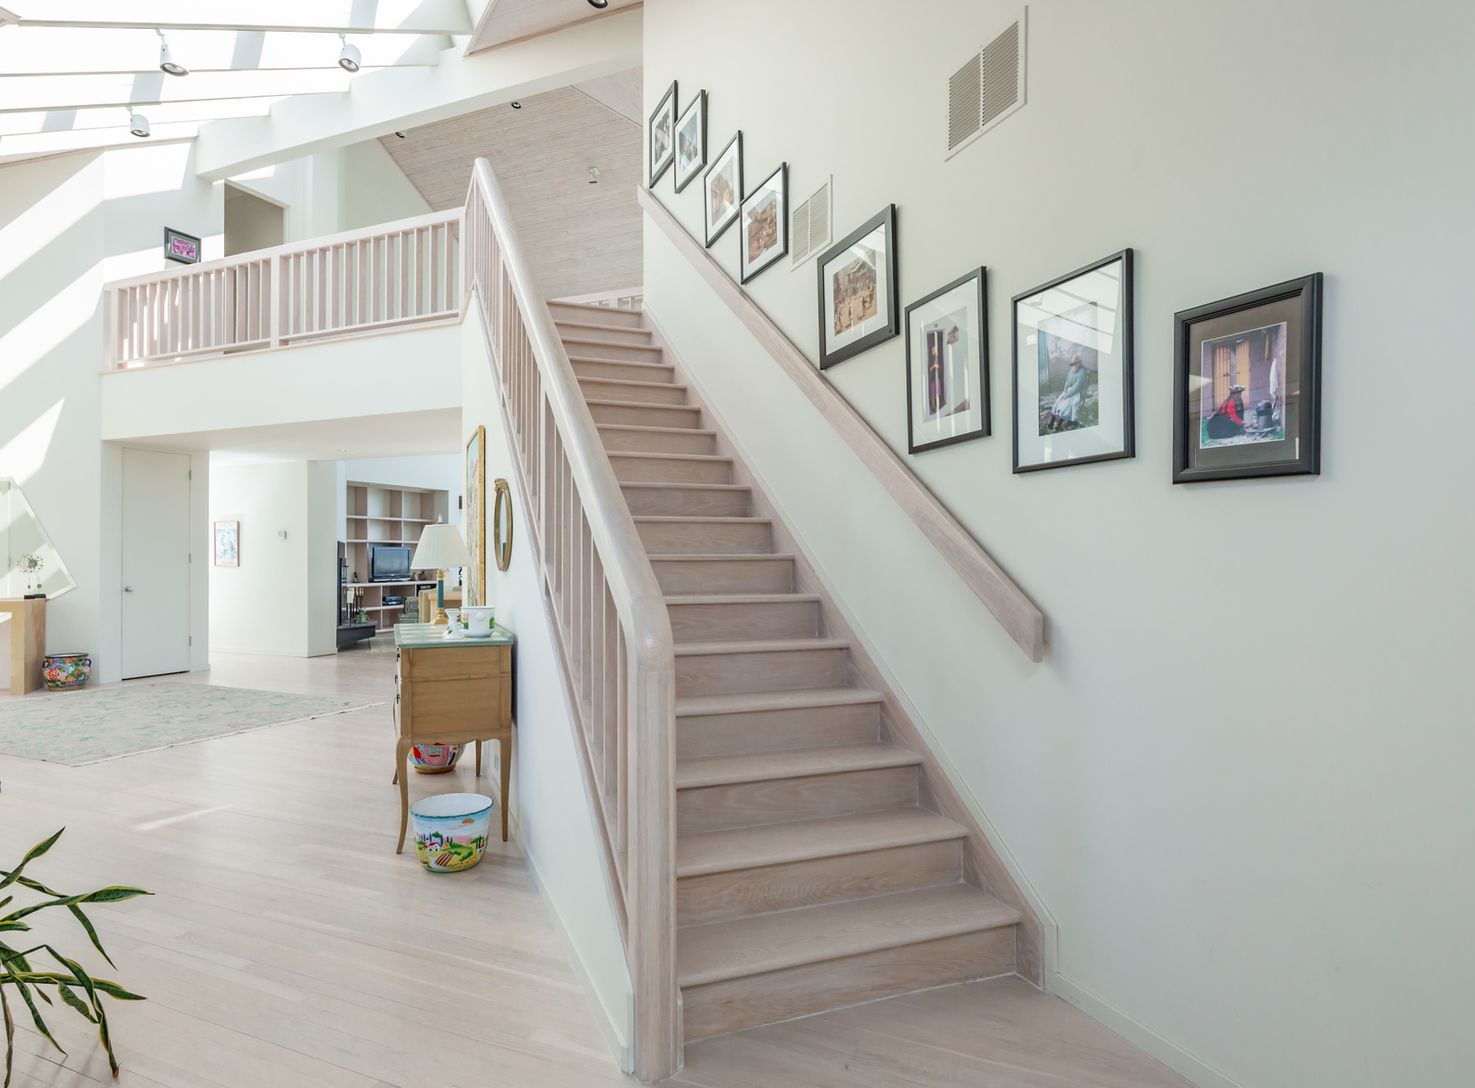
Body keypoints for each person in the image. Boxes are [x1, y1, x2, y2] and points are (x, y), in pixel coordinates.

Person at [1044, 357, 1090, 432]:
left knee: (1067, 403)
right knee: (1059, 401)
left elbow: (1077, 387)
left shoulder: (1082, 372)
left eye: (1075, 364)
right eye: (1072, 364)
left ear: (1079, 364)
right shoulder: (1072, 370)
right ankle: (1051, 422)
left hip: (1077, 393)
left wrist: (1067, 395)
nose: (1073, 366)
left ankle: (1059, 424)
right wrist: (1065, 387)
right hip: (1069, 391)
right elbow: (1067, 380)